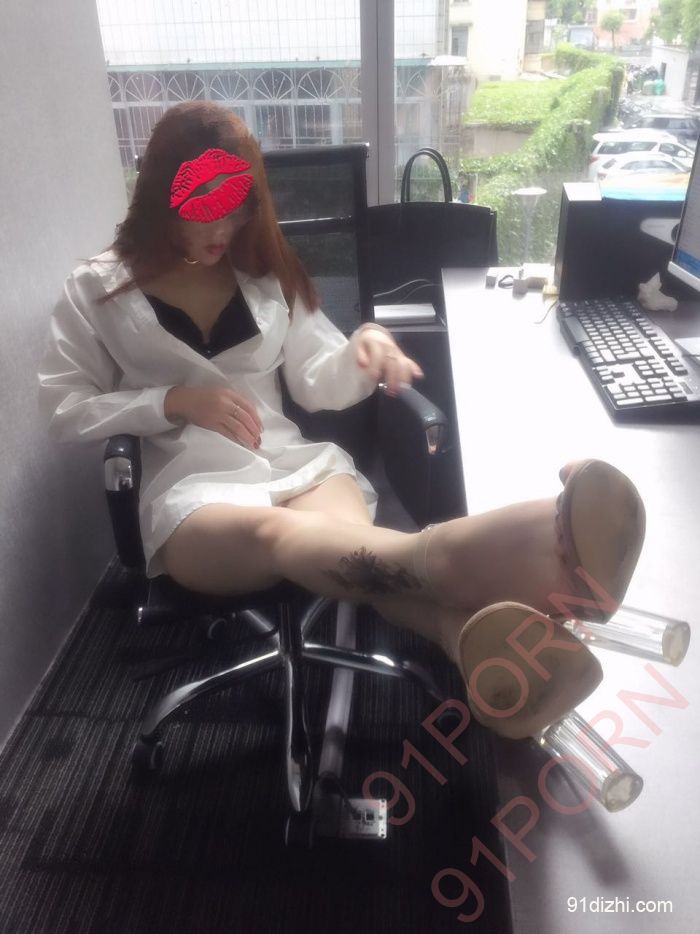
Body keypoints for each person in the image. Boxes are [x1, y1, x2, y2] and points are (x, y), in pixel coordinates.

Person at [38, 102, 646, 741]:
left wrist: (364, 348)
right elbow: (63, 406)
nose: (225, 226)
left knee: (347, 547)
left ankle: (469, 643)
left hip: (291, 463)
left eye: (238, 206)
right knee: (288, 535)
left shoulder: (261, 276)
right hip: (191, 497)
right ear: (164, 193)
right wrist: (172, 401)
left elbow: (316, 379)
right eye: (204, 207)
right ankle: (542, 548)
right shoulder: (97, 288)